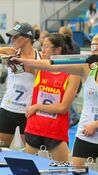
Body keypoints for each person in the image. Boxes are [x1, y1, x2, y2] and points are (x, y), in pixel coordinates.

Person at [14, 31, 98, 175]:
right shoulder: (87, 68)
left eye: (96, 50)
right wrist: (23, 62)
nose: (92, 53)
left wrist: (97, 125)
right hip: (84, 139)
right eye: (91, 49)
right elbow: (52, 66)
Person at [13, 33, 81, 161]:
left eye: (46, 46)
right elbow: (14, 63)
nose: (41, 50)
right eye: (41, 46)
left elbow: (63, 108)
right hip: (35, 128)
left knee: (61, 173)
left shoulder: (72, 74)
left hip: (55, 131)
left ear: (58, 50)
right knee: (29, 173)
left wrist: (37, 107)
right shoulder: (38, 67)